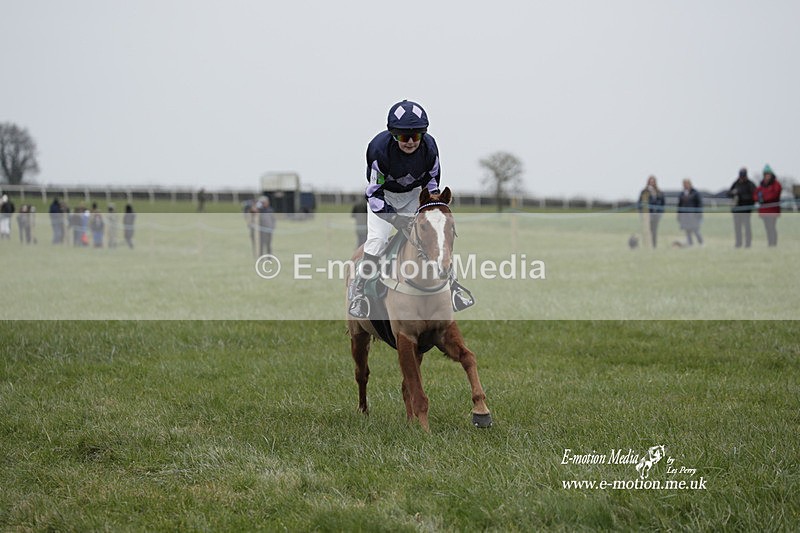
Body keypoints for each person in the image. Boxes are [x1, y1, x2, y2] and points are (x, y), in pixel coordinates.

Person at [348, 99, 473, 318]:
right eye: (403, 137)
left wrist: (429, 209)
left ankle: (453, 287)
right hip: (383, 197)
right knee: (377, 241)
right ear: (393, 135)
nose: (410, 142)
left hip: (416, 196)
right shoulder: (378, 149)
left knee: (434, 237)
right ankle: (359, 292)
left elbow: (432, 185)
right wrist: (395, 219)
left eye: (415, 137)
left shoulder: (430, 148)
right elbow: (373, 192)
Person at [728, 167, 756, 248]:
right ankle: (738, 243)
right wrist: (733, 193)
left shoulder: (750, 184)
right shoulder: (736, 183)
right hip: (736, 210)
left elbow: (753, 196)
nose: (742, 177)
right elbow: (729, 193)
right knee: (737, 228)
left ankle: (748, 244)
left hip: (746, 210)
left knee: (747, 228)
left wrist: (741, 195)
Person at [754, 164, 782, 246]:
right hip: (764, 211)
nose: (767, 176)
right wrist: (759, 199)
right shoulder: (761, 185)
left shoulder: (776, 184)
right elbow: (755, 194)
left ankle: (773, 243)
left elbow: (774, 195)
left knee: (771, 227)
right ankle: (770, 243)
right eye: (765, 175)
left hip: (773, 211)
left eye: (768, 174)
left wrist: (764, 198)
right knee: (767, 228)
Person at [638, 176, 665, 248]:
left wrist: (660, 212)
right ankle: (647, 245)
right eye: (650, 181)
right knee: (647, 231)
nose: (652, 183)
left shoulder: (659, 192)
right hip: (647, 215)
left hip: (656, 215)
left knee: (654, 231)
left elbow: (662, 203)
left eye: (653, 181)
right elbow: (641, 203)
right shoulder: (644, 191)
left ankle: (654, 245)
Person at [677, 179, 703, 246]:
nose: (685, 185)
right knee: (687, 231)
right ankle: (690, 244)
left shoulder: (695, 193)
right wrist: (679, 215)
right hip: (685, 216)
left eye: (686, 183)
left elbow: (699, 204)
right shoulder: (682, 193)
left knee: (696, 230)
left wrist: (698, 214)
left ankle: (701, 243)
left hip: (693, 215)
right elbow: (679, 205)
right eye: (684, 184)